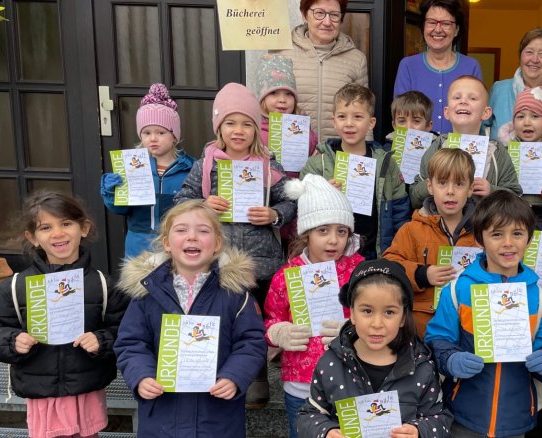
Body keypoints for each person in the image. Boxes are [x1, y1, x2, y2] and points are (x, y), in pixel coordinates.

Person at [174, 82, 296, 407]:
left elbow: (290, 203)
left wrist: (273, 214)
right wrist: (203, 204)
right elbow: (181, 200)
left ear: (256, 127)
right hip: (219, 261)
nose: (238, 130)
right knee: (221, 318)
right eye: (230, 123)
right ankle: (217, 373)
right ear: (219, 127)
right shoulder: (207, 165)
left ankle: (256, 378)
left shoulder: (269, 164)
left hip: (263, 261)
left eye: (246, 123)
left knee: (253, 323)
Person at [0, 191, 129, 438]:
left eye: (66, 223)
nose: (58, 233)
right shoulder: (16, 286)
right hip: (41, 392)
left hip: (86, 389)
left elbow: (124, 330)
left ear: (84, 228)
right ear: (33, 238)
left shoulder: (103, 285)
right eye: (46, 227)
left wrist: (102, 340)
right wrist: (11, 341)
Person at [114, 200, 267, 437]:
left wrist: (234, 376)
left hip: (217, 416)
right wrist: (141, 375)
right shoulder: (146, 294)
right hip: (162, 415)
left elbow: (251, 343)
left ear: (217, 244)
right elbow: (131, 343)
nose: (192, 237)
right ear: (166, 243)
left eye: (203, 231)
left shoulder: (236, 294)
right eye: (181, 230)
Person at [425, 190, 542, 437]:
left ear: (530, 239)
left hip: (516, 419)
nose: (508, 243)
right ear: (480, 239)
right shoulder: (459, 290)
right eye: (497, 234)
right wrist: (450, 360)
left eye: (518, 233)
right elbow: (437, 340)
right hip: (462, 416)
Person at [296, 259, 453, 438]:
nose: (377, 324)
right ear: (353, 314)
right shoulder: (331, 362)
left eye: (389, 312)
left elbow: (440, 419)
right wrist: (326, 431)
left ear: (403, 318)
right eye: (367, 311)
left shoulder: (422, 367)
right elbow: (308, 415)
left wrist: (419, 431)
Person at [264, 174, 364, 438]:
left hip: (351, 380)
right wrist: (278, 333)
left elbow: (378, 311)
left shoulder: (361, 272)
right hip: (301, 385)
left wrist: (355, 328)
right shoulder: (288, 275)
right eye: (323, 231)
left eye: (341, 231)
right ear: (306, 233)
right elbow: (271, 317)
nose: (333, 240)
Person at [300, 84, 409, 260]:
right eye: (342, 117)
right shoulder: (319, 162)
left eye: (358, 117)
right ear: (334, 121)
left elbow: (400, 211)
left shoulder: (386, 164)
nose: (349, 123)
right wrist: (321, 192)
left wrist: (396, 252)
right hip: (335, 253)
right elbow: (301, 204)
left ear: (371, 123)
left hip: (376, 252)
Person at [382, 148, 478, 335]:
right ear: (430, 186)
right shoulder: (411, 230)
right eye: (442, 183)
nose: (450, 191)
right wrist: (422, 274)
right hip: (422, 329)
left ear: (471, 189)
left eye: (459, 184)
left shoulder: (483, 232)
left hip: (470, 327)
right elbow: (388, 267)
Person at [100, 83, 196, 260]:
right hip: (139, 247)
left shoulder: (191, 168)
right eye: (146, 133)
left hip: (177, 247)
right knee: (140, 287)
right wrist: (111, 192)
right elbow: (120, 209)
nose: (153, 138)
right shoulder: (131, 167)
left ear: (174, 136)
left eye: (161, 132)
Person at [410, 75, 522, 209]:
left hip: (484, 226)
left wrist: (492, 191)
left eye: (472, 98)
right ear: (447, 112)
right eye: (457, 97)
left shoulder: (497, 153)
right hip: (440, 226)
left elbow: (516, 197)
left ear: (486, 113)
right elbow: (414, 197)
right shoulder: (436, 148)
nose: (463, 101)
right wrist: (432, 185)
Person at [275, 0, 369, 140]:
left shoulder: (356, 59)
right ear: (304, 15)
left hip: (338, 153)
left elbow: (363, 111)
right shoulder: (281, 52)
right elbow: (267, 110)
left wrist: (364, 153)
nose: (327, 22)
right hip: (292, 150)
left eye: (334, 15)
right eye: (319, 13)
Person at [394, 0, 482, 134]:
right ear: (423, 26)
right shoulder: (408, 66)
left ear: (457, 29)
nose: (438, 29)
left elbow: (477, 114)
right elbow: (400, 115)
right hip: (417, 151)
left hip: (458, 151)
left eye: (446, 23)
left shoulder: (471, 66)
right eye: (431, 22)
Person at [488, 28, 542, 136]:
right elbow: (480, 128)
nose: (535, 59)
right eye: (529, 52)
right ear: (520, 56)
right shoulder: (498, 90)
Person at [255, 53, 318, 179]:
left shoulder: (305, 131)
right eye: (274, 93)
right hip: (266, 194)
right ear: (262, 98)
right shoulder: (254, 131)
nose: (282, 100)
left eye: (288, 94)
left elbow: (313, 162)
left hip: (298, 191)